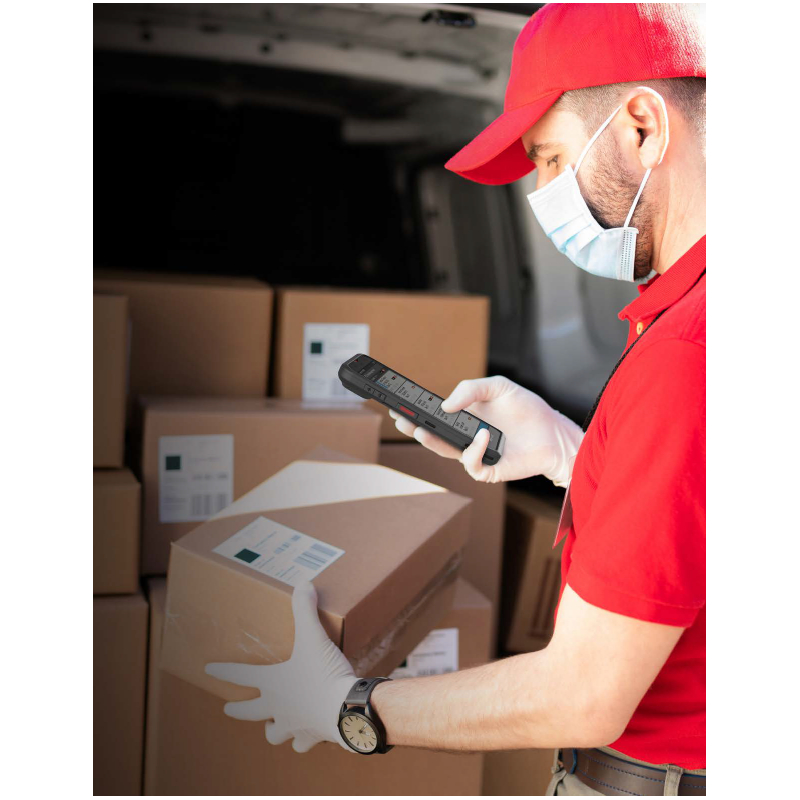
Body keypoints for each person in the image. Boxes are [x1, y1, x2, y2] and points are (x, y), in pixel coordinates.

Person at [205, 4, 706, 796]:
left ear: (642, 127)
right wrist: (573, 454)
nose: (542, 193)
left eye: (550, 159)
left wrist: (346, 707)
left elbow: (582, 695)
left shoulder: (687, 351)